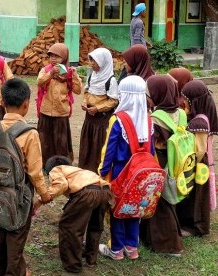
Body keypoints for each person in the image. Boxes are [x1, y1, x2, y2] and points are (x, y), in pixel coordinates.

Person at [0, 78, 52, 276]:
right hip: (19, 194)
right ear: (26, 104)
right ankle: (14, 272)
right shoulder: (29, 133)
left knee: (1, 229)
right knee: (17, 234)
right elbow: (35, 172)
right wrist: (44, 194)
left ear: (2, 103)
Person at [97, 75, 151, 260]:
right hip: (141, 173)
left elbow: (108, 151)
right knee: (135, 207)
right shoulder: (148, 120)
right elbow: (150, 151)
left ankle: (117, 249)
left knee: (117, 209)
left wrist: (102, 173)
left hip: (120, 172)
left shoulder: (118, 120)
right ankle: (132, 247)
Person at [34, 155, 110, 273]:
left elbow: (61, 184)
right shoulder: (78, 171)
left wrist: (42, 199)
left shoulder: (57, 169)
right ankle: (91, 259)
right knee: (95, 227)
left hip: (87, 193)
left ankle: (73, 265)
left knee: (69, 227)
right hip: (105, 191)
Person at [139, 75, 183, 256]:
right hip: (175, 162)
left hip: (160, 161)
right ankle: (157, 237)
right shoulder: (180, 113)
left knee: (160, 203)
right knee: (167, 201)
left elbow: (153, 144)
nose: (146, 96)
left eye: (148, 93)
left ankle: (170, 245)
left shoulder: (156, 118)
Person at [177, 80, 218, 237]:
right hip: (199, 162)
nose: (183, 102)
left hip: (198, 163)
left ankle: (196, 227)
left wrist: (190, 164)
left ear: (194, 101)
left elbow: (200, 149)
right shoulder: (202, 115)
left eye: (186, 99)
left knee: (196, 196)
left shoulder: (199, 120)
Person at [36, 43, 82, 165]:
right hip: (45, 111)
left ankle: (62, 165)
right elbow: (39, 82)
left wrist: (74, 76)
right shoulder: (45, 70)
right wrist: (50, 74)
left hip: (61, 113)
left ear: (65, 58)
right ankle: (44, 164)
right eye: (51, 56)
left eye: (57, 56)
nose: (54, 59)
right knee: (45, 141)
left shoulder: (69, 73)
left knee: (61, 142)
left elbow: (78, 90)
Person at [78, 48, 118, 172]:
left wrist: (98, 108)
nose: (92, 64)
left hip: (102, 119)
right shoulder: (92, 77)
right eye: (91, 61)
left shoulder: (110, 81)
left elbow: (113, 101)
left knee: (98, 143)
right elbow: (87, 92)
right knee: (88, 140)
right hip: (90, 117)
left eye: (94, 61)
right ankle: (85, 167)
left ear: (103, 62)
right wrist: (85, 103)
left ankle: (97, 169)